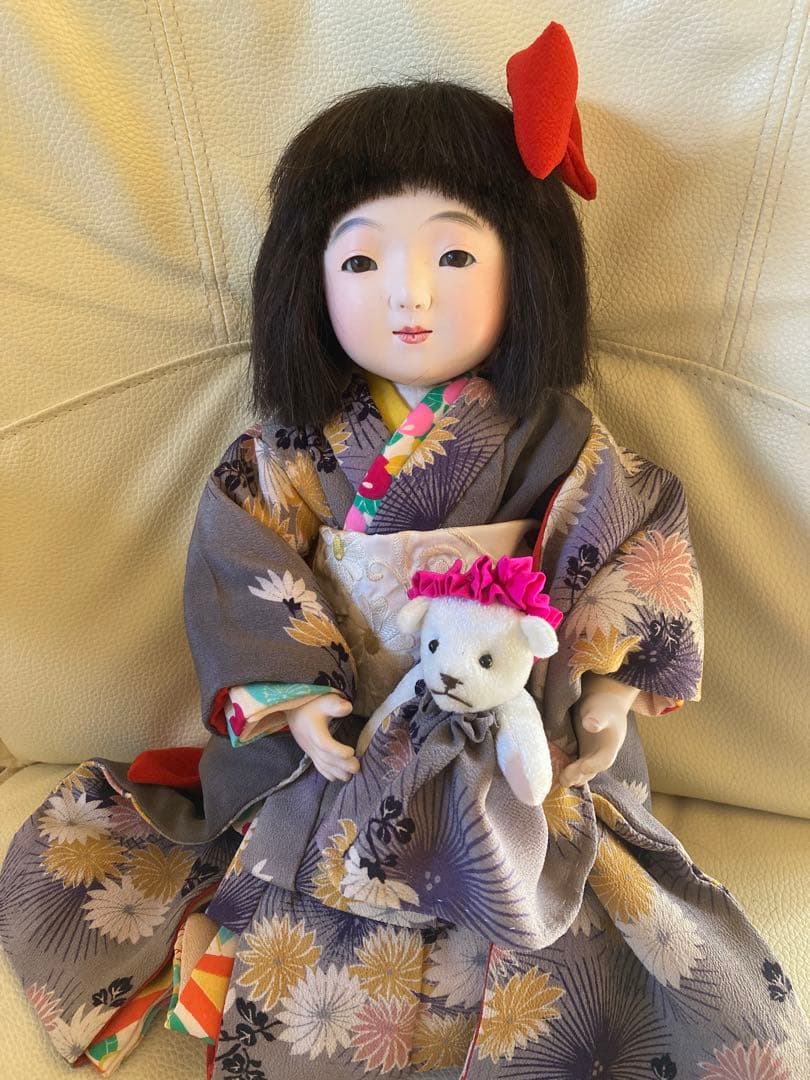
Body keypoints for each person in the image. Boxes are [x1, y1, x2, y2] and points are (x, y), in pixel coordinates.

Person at [1, 22, 807, 1080]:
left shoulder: (562, 446)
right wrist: (295, 701)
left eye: (455, 254)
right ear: (310, 280)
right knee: (296, 878)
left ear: (527, 268)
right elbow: (245, 562)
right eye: (362, 258)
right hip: (343, 739)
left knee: (567, 908)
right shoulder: (287, 455)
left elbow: (634, 540)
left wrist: (609, 691)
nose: (408, 295)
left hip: (510, 744)